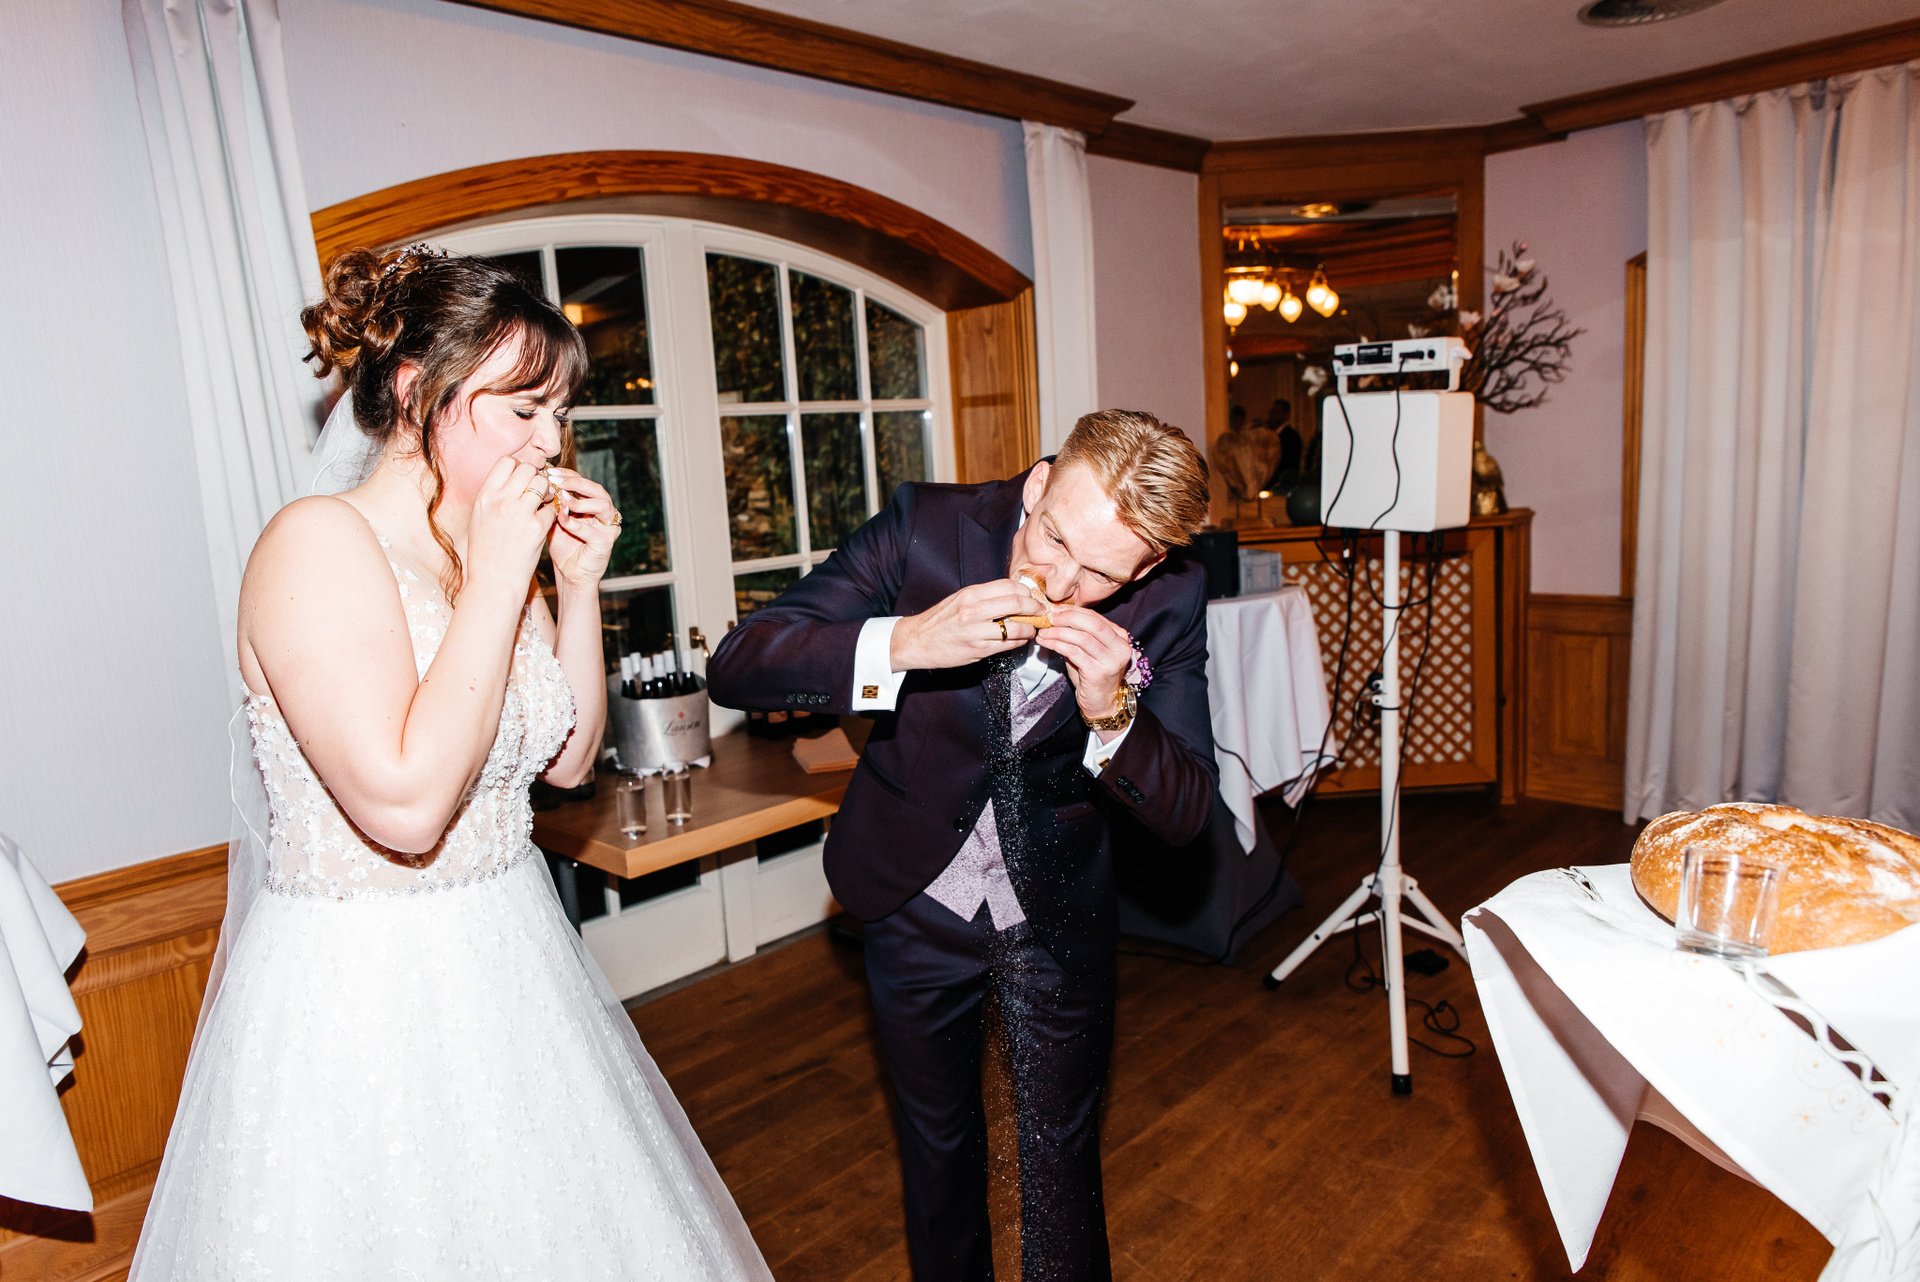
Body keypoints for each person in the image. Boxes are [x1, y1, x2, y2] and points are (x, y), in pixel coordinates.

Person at [132, 247, 771, 1280]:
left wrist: (574, 587)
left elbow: (567, 761)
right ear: (413, 389)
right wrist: (502, 578)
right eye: (522, 409)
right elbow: (407, 806)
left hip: (510, 959)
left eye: (559, 413)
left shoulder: (484, 553)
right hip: (368, 992)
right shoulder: (315, 545)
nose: (550, 441)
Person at [706, 410, 1217, 1282]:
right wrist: (907, 641)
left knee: (1062, 1157)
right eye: (1054, 538)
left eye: (1102, 574)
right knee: (938, 1150)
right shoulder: (927, 526)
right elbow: (740, 662)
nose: (1060, 581)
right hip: (912, 893)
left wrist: (1113, 712)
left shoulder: (1172, 597)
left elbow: (1188, 810)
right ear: (1037, 485)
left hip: (1057, 908)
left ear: (1148, 567)